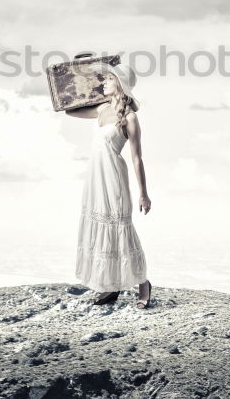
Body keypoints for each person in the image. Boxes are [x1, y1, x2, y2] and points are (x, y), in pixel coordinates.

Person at [65, 62, 152, 308]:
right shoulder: (101, 109)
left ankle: (143, 284)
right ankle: (110, 287)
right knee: (100, 229)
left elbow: (137, 158)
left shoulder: (131, 118)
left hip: (113, 177)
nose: (103, 82)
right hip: (95, 176)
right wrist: (82, 75)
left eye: (108, 79)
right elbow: (69, 111)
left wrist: (143, 194)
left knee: (119, 229)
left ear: (120, 84)